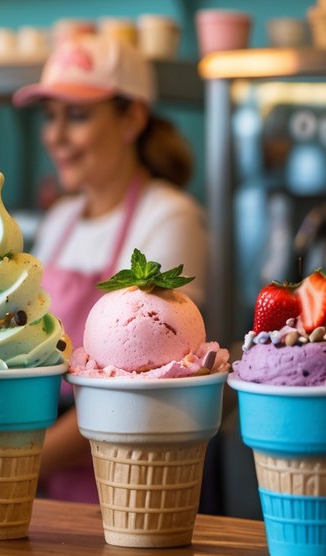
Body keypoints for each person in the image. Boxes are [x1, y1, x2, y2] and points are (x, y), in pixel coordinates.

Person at [14, 34, 208, 503]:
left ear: (133, 118)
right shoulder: (60, 219)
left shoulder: (169, 216)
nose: (55, 136)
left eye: (77, 116)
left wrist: (14, 461)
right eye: (50, 116)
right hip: (45, 482)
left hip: (125, 483)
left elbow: (152, 390)